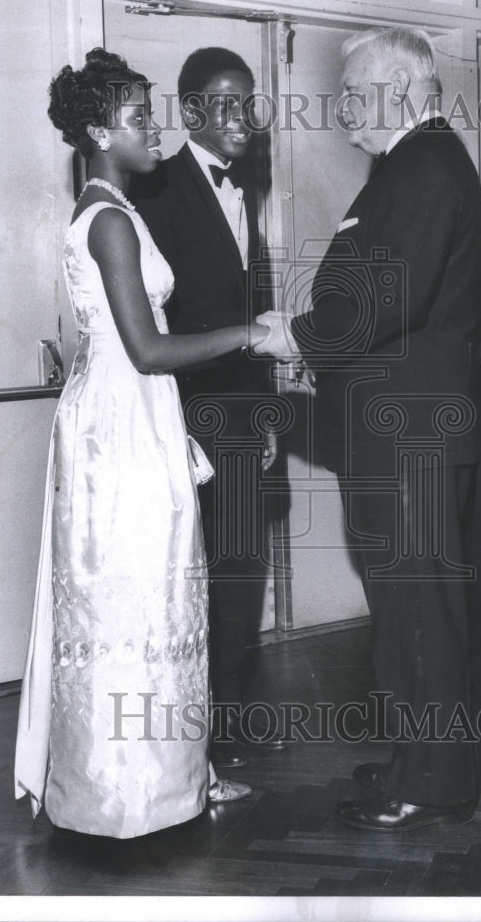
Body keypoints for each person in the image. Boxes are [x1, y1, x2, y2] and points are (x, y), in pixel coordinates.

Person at [14, 48, 273, 839]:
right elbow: (149, 350)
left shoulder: (106, 210)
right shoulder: (113, 223)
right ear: (98, 132)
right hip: (125, 422)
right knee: (135, 601)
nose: (154, 129)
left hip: (132, 415)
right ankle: (128, 792)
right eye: (139, 119)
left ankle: (171, 779)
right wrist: (253, 335)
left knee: (152, 601)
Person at [255, 27, 481, 831]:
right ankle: (417, 762)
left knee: (420, 614)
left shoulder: (424, 167)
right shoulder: (408, 167)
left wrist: (295, 334)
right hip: (401, 437)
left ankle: (431, 781)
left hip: (411, 442)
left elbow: (389, 300)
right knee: (407, 613)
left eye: (354, 91)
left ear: (398, 89)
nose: (344, 107)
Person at [134, 48, 291, 769]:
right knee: (181, 579)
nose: (243, 118)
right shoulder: (154, 189)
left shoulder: (245, 192)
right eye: (225, 104)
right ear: (190, 111)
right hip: (179, 414)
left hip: (236, 417)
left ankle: (225, 727)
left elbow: (252, 313)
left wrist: (263, 414)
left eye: (249, 102)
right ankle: (182, 733)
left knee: (236, 574)